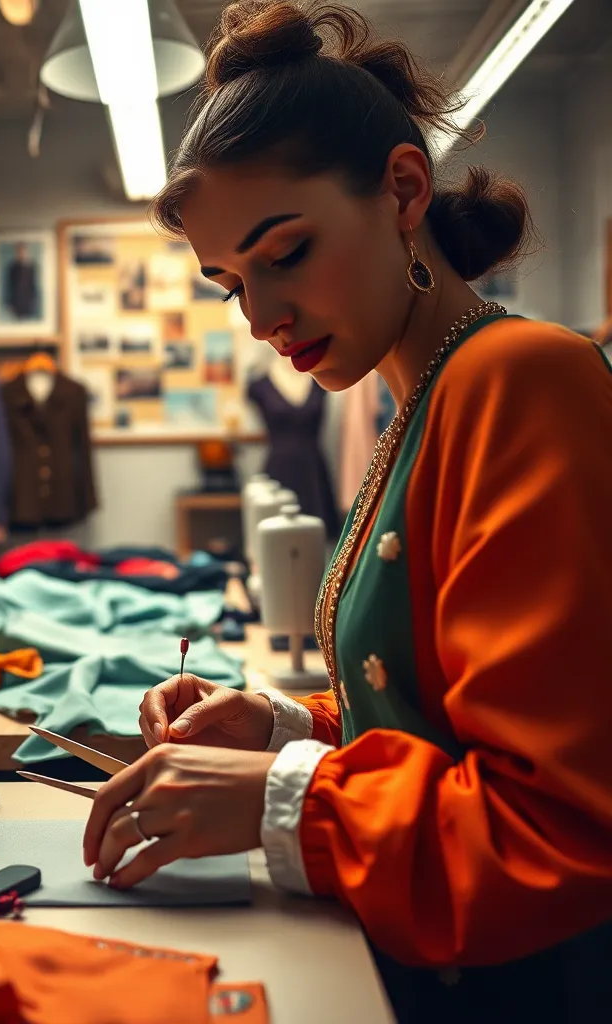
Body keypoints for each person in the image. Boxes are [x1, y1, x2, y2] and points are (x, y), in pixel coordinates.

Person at [82, 2, 612, 1021]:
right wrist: (287, 729)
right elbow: (443, 713)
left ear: (402, 189)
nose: (263, 318)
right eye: (233, 285)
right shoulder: (427, 392)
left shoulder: (518, 377)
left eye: (284, 252)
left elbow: (559, 819)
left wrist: (284, 798)